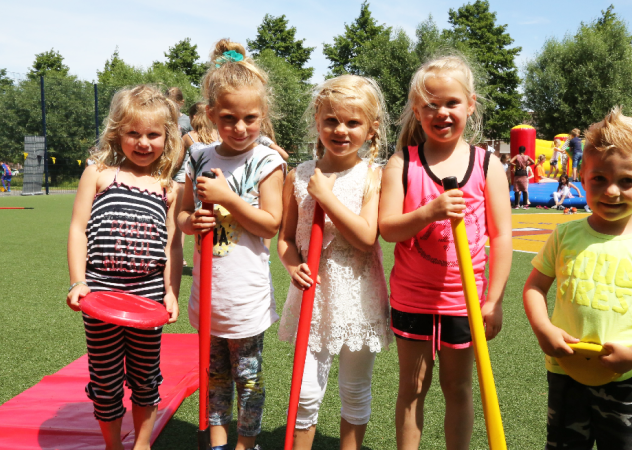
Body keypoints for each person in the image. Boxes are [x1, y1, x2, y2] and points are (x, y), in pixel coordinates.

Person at [523, 107, 632, 450]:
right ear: (582, 177)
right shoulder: (564, 235)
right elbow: (535, 287)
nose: (611, 191)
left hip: (626, 376)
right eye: (599, 178)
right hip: (566, 370)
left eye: (627, 181)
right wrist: (544, 329)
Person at [378, 54, 513, 450]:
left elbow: (502, 236)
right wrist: (429, 212)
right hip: (413, 297)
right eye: (430, 105)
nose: (442, 113)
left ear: (470, 105)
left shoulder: (487, 165)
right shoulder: (402, 163)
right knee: (412, 387)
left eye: (452, 103)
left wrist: (494, 300)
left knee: (458, 387)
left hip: (464, 301)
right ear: (417, 110)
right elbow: (388, 229)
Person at [176, 39, 285, 450]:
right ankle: (219, 440)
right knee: (214, 373)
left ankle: (247, 443)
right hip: (208, 294)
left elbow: (270, 225)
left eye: (250, 118)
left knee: (248, 376)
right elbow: (182, 215)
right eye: (229, 118)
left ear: (262, 115)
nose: (240, 128)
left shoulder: (266, 161)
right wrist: (192, 222)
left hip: (245, 296)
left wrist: (228, 199)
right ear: (210, 115)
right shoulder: (198, 157)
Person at [277, 74, 392, 450]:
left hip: (359, 297)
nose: (341, 130)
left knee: (355, 390)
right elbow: (285, 238)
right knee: (305, 393)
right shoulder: (298, 176)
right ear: (317, 120)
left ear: (371, 129)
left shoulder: (372, 177)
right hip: (313, 297)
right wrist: (292, 265)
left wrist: (326, 197)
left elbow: (366, 237)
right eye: (331, 120)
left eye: (352, 122)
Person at [66, 85, 183, 450]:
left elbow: (173, 245)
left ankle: (142, 444)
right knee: (105, 378)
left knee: (146, 376)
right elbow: (78, 229)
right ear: (118, 132)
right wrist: (77, 282)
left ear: (167, 137)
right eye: (133, 133)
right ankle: (113, 445)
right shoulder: (99, 173)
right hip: (101, 293)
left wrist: (171, 293)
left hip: (148, 296)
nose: (143, 142)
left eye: (153, 134)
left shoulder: (168, 188)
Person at [511, 145, 534, 209]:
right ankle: (525, 205)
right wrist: (527, 165)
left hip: (517, 174)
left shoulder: (517, 156)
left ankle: (516, 205)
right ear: (524, 151)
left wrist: (516, 164)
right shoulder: (527, 157)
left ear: (519, 150)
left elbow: (510, 161)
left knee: (516, 190)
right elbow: (533, 162)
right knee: (524, 189)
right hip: (524, 174)